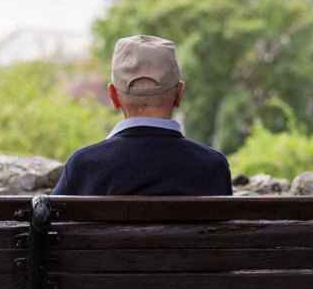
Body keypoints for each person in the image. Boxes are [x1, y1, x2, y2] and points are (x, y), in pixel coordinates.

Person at [52, 35, 232, 196]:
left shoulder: (84, 166)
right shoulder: (213, 166)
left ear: (114, 96)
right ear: (179, 94)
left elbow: (49, 225)